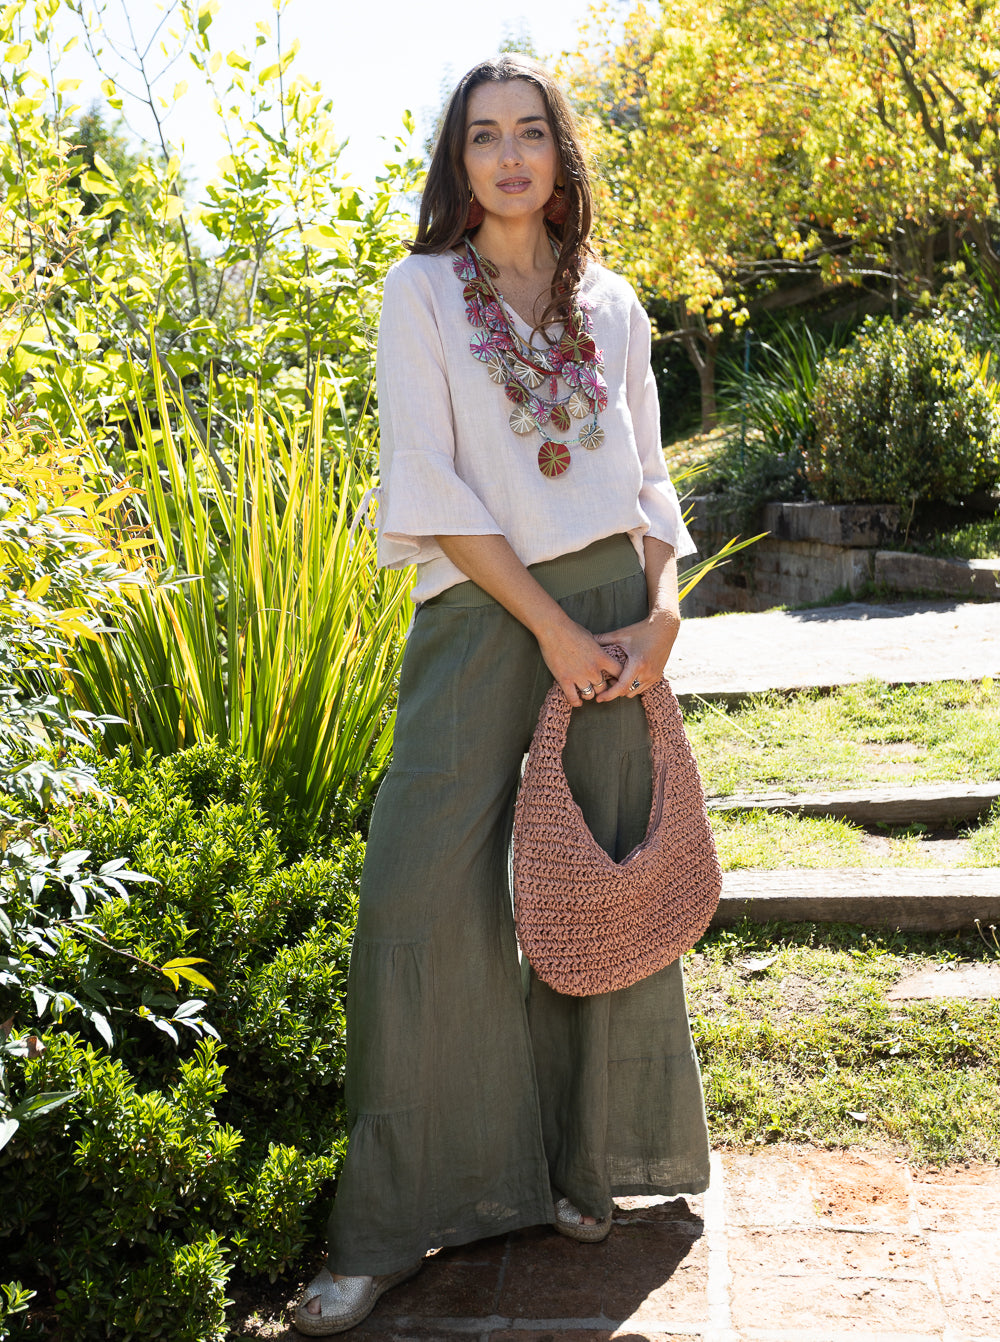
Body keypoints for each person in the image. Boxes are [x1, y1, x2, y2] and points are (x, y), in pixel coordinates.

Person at [295, 53, 711, 1336]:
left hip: (615, 616)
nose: (511, 154)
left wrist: (661, 616)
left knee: (600, 890)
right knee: (415, 898)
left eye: (531, 131)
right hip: (486, 616)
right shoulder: (420, 292)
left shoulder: (616, 303)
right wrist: (546, 628)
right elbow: (426, 481)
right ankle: (387, 1225)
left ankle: (584, 1167)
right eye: (484, 136)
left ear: (560, 152)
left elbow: (649, 480)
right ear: (459, 161)